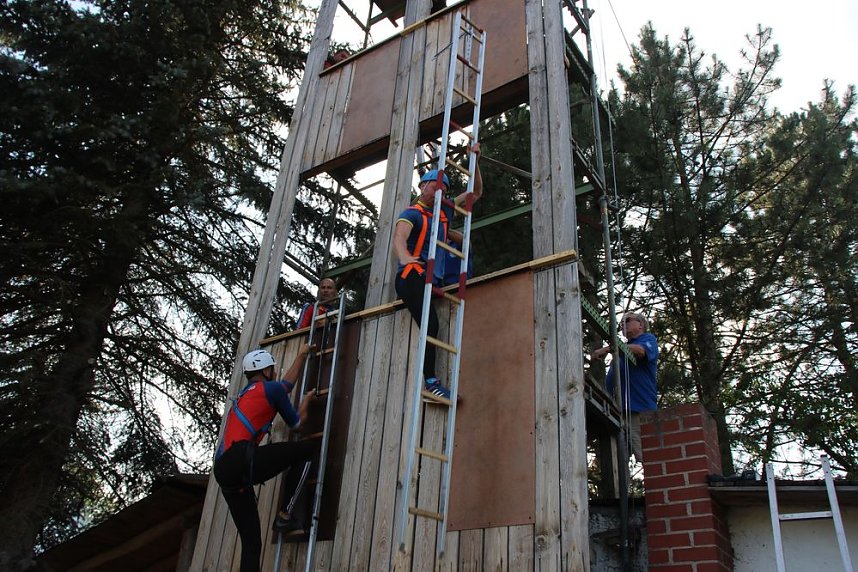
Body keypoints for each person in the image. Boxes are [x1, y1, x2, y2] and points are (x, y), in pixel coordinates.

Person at [213, 345, 317, 572]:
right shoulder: (270, 390)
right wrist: (307, 401)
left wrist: (301, 354)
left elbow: (285, 386)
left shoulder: (246, 395)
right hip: (242, 459)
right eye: (272, 369)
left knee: (252, 543)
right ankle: (285, 514)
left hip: (224, 471)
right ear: (266, 371)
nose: (275, 372)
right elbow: (297, 424)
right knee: (308, 450)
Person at [392, 144, 482, 400]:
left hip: (433, 280)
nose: (440, 190)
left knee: (433, 326)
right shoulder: (412, 213)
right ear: (423, 186)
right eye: (435, 186)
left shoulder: (444, 210)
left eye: (444, 188)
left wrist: (474, 161)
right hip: (413, 276)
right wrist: (407, 258)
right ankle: (430, 382)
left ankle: (431, 381)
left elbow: (474, 192)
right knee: (431, 325)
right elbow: (399, 238)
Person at [591, 312, 658, 462]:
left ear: (641, 325)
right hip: (618, 413)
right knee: (617, 463)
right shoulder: (620, 353)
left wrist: (607, 349)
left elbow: (641, 351)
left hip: (639, 411)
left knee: (648, 460)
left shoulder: (647, 339)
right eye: (621, 323)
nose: (623, 325)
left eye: (627, 320)